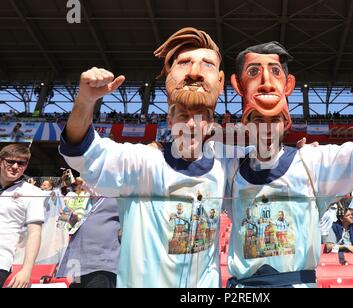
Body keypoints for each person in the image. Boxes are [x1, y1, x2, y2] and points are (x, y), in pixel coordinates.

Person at [59, 28, 229, 288]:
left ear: (211, 124)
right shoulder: (142, 162)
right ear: (170, 120)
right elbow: (81, 151)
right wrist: (86, 100)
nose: (192, 125)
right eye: (183, 116)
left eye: (200, 117)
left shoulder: (222, 168)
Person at [225, 41, 353, 287]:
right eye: (257, 119)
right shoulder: (230, 167)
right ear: (245, 124)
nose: (265, 126)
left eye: (274, 119)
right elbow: (186, 158)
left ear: (285, 123)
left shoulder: (311, 163)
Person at [0, 144, 45, 288]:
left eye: (21, 163)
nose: (15, 166)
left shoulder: (33, 192)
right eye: (10, 161)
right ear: (1, 161)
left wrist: (27, 270)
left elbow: (35, 233)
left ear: (26, 166)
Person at [56, 197, 120, 288]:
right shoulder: (88, 199)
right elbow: (87, 225)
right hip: (79, 265)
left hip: (101, 264)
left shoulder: (115, 194)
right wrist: (74, 220)